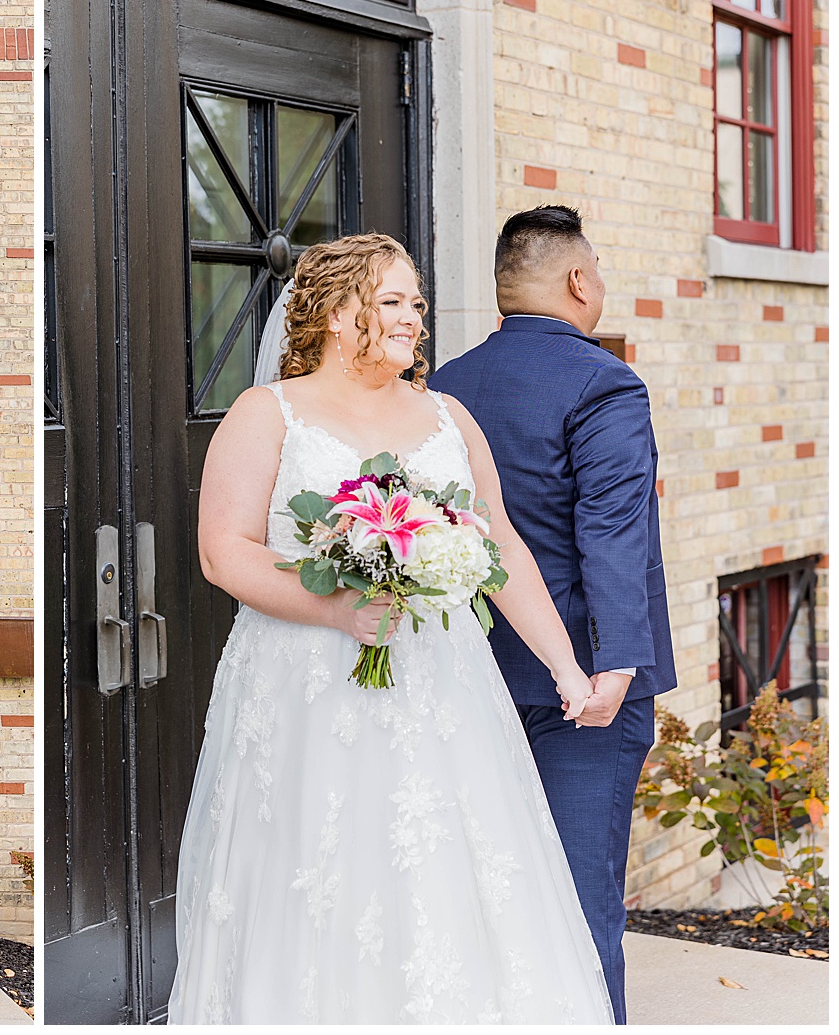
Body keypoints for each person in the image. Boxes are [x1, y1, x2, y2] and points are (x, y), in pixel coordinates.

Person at [168, 232, 612, 1023]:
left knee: (442, 873)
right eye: (393, 301)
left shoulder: (449, 416)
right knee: (323, 876)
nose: (413, 318)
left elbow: (499, 543)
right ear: (340, 314)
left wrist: (566, 667)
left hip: (442, 688)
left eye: (416, 302)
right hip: (306, 687)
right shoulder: (267, 412)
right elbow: (221, 551)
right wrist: (335, 606)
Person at [429, 205, 676, 1024]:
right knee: (579, 903)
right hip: (585, 692)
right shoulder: (603, 380)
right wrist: (619, 662)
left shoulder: (443, 387)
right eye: (597, 268)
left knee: (489, 898)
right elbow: (610, 528)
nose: (599, 281)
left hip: (466, 678)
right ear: (577, 279)